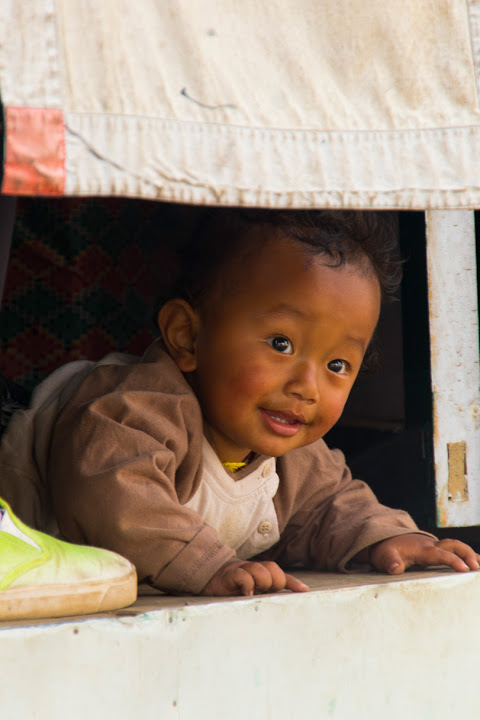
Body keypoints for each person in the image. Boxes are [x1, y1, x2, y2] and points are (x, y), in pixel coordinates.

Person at [0, 209, 478, 597]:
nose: (307, 386)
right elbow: (115, 492)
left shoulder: (293, 455)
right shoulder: (136, 409)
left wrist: (386, 537)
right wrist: (206, 564)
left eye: (336, 365)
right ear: (187, 336)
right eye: (280, 344)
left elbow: (333, 506)